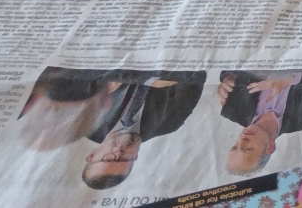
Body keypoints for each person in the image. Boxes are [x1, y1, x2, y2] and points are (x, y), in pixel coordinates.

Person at [15, 67, 205, 188]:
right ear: (135, 158)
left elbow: (80, 70)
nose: (119, 151)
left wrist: (127, 76)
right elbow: (195, 73)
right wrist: (138, 78)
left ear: (92, 155)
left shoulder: (84, 119)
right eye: (124, 158)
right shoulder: (170, 122)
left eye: (107, 158)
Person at [219, 68, 302, 174]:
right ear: (270, 147)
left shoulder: (233, 109)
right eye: (248, 149)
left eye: (235, 146)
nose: (242, 140)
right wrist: (290, 80)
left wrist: (227, 78)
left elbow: (234, 65)